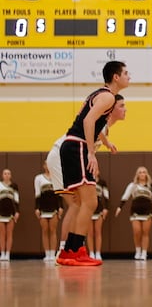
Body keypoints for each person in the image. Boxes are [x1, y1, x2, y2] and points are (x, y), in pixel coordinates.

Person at [56, 60, 130, 267]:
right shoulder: (108, 97)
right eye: (126, 73)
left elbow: (91, 122)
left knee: (82, 203)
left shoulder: (99, 94)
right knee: (91, 203)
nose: (129, 77)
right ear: (116, 77)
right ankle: (74, 251)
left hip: (71, 145)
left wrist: (105, 142)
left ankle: (69, 251)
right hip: (77, 146)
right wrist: (90, 152)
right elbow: (88, 121)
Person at [115, 166, 152, 261]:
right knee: (137, 232)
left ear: (147, 174)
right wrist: (119, 207)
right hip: (135, 211)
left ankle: (144, 253)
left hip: (147, 211)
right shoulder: (132, 185)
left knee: (145, 233)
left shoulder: (151, 186)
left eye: (144, 172)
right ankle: (138, 251)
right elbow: (125, 196)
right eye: (140, 172)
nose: (142, 174)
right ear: (137, 175)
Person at [34, 161, 62, 262]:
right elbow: (37, 194)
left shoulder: (57, 177)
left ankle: (53, 254)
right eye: (46, 164)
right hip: (43, 207)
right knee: (45, 230)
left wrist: (60, 207)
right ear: (44, 166)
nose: (48, 166)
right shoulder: (38, 178)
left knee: (53, 230)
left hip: (54, 207)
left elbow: (59, 193)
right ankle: (47, 254)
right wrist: (37, 208)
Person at [0, 168, 19, 262]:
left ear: (10, 175)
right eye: (5, 173)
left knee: (9, 233)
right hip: (1, 212)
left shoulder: (14, 186)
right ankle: (2, 253)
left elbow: (16, 200)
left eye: (8, 173)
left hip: (11, 212)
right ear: (2, 175)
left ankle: (7, 254)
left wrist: (17, 212)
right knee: (2, 234)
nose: (7, 175)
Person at [89, 174, 109, 261]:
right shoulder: (87, 180)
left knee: (98, 231)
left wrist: (106, 208)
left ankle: (98, 253)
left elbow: (106, 196)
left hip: (99, 208)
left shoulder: (102, 182)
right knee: (90, 233)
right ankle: (91, 253)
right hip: (88, 208)